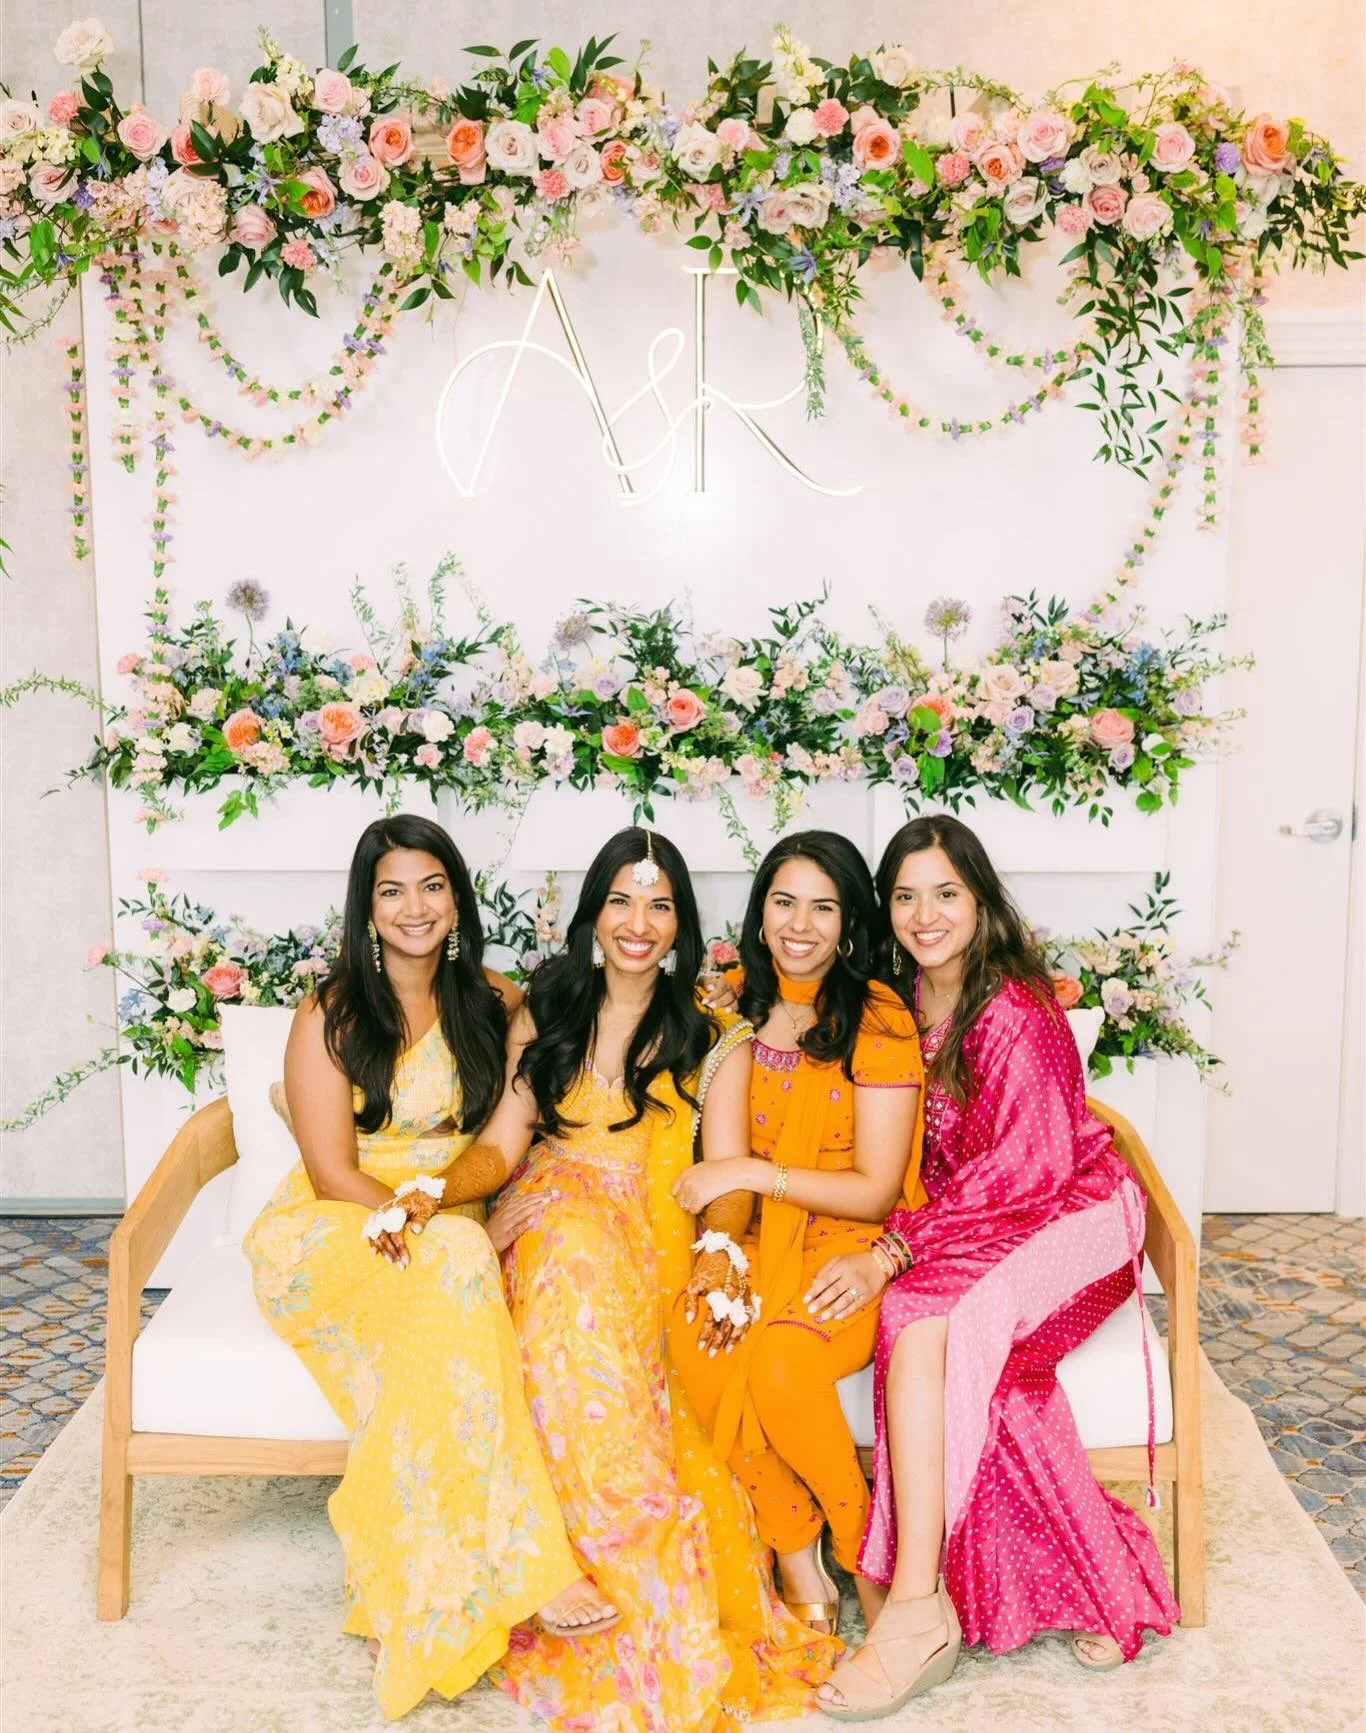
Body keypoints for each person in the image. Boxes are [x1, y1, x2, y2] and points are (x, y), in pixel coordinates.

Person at [243, 815, 612, 1722]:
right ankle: (531, 1563)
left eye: (432, 886)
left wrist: (464, 1210)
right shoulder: (332, 1011)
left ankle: (417, 1586)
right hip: (336, 1230)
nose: (415, 907)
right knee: (455, 1258)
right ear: (367, 907)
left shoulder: (491, 1001)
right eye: (392, 890)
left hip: (440, 1214)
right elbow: (333, 1170)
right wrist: (439, 1223)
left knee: (453, 1273)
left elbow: (501, 1138)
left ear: (457, 896)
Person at [469, 826, 838, 1731]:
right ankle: (585, 1564)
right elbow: (500, 1145)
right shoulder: (544, 1009)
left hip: (658, 1238)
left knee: (601, 1283)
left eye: (659, 904)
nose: (638, 922)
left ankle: (628, 1564)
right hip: (554, 1226)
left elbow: (727, 1184)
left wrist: (720, 1254)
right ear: (594, 911)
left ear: (680, 923)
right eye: (622, 900)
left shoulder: (714, 1037)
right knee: (566, 1266)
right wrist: (470, 1213)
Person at [816, 815, 1179, 1722]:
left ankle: (911, 1610)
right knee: (935, 1332)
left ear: (979, 899)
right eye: (906, 894)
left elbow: (1029, 1167)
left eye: (946, 892)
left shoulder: (1014, 1005)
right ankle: (1099, 1579)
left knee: (937, 1317)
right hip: (984, 1218)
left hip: (1076, 1211)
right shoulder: (896, 1000)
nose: (925, 913)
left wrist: (895, 1245)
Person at [667, 831, 924, 1638]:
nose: (800, 923)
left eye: (823, 904)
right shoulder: (738, 1014)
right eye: (784, 901)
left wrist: (751, 1177)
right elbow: (724, 1170)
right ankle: (792, 1541)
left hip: (850, 1246)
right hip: (760, 1235)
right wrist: (720, 1256)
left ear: (849, 921)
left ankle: (859, 1544)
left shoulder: (877, 1016)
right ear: (761, 912)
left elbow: (876, 1185)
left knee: (781, 1363)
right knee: (695, 1332)